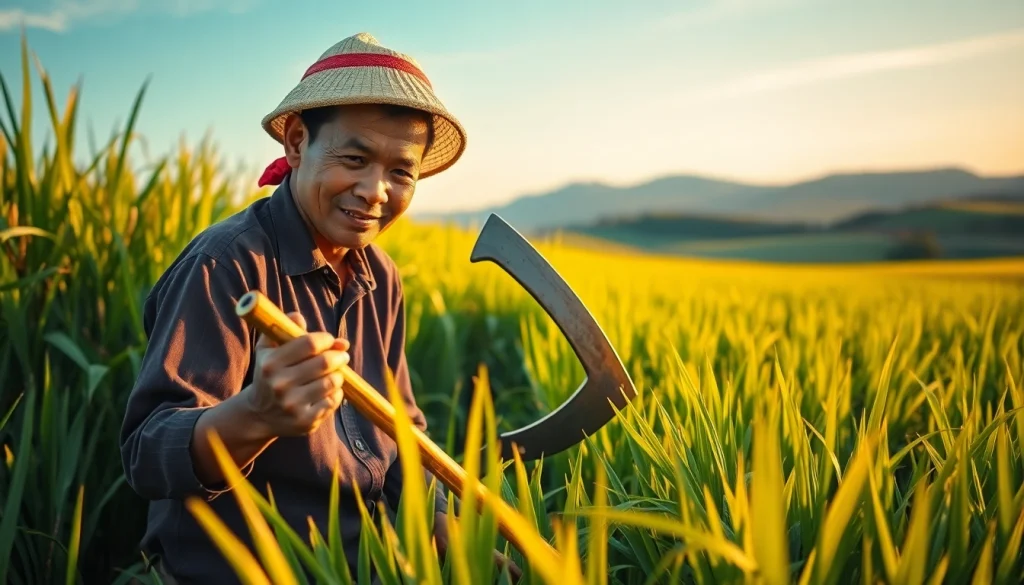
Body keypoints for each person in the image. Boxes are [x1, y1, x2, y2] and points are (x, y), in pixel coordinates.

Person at [119, 32, 521, 584]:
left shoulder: (381, 276)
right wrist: (257, 415)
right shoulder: (226, 264)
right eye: (354, 158)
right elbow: (146, 453)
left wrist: (430, 516)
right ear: (297, 144)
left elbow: (400, 428)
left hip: (365, 566)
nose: (376, 190)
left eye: (401, 171)